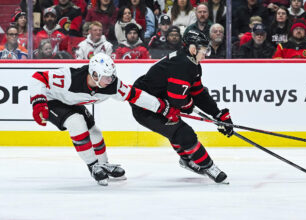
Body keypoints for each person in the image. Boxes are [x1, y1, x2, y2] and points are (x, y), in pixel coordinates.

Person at [28, 53, 180, 185]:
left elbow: (135, 95)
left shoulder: (112, 85)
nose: (110, 80)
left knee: (95, 133)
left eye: (111, 76)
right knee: (77, 123)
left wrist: (162, 107)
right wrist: (38, 102)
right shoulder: (68, 78)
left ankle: (103, 164)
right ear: (94, 74)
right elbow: (38, 77)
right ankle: (93, 166)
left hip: (71, 102)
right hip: (50, 101)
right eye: (106, 77)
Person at [130, 30, 233, 184]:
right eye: (204, 50)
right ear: (193, 49)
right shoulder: (182, 64)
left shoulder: (192, 64)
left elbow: (198, 93)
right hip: (145, 107)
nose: (206, 54)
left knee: (177, 131)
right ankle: (207, 166)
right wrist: (190, 104)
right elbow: (178, 101)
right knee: (184, 133)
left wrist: (218, 114)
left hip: (160, 102)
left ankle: (187, 160)